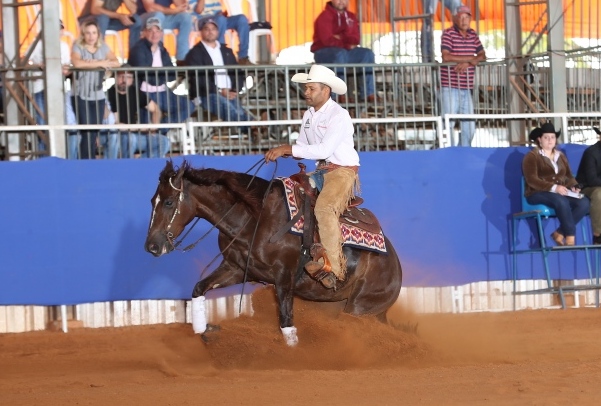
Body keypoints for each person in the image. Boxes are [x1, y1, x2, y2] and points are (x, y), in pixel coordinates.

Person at [264, 64, 359, 289]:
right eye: (306, 88)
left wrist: (288, 149)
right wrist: (287, 150)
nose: (306, 92)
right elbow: (304, 145)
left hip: (342, 171)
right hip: (322, 171)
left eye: (311, 88)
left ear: (325, 90)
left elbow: (323, 150)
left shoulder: (339, 115)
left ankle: (335, 269)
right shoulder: (309, 115)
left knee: (324, 208)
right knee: (285, 194)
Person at [523, 123, 590, 246]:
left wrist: (574, 186)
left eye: (552, 137)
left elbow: (568, 176)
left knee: (584, 202)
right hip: (536, 192)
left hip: (559, 192)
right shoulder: (531, 157)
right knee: (561, 200)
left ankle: (559, 233)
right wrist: (554, 187)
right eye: (546, 137)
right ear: (539, 139)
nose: (550, 140)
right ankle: (570, 236)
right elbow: (531, 180)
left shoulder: (561, 156)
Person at [184, 17, 253, 129]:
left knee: (236, 111)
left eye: (213, 28)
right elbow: (199, 79)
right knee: (231, 110)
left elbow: (238, 73)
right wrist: (220, 91)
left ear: (218, 31)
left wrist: (234, 90)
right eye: (206, 29)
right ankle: (253, 126)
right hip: (206, 94)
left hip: (230, 93)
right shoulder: (194, 53)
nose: (210, 31)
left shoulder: (227, 51)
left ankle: (251, 129)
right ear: (201, 32)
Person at [128, 17, 195, 129]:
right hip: (144, 94)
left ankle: (160, 129)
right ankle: (156, 132)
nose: (154, 34)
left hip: (163, 92)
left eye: (157, 30)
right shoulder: (138, 49)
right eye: (150, 31)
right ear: (144, 32)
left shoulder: (162, 49)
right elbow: (145, 75)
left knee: (188, 106)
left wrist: (160, 77)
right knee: (146, 125)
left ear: (161, 33)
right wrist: (162, 76)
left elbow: (172, 73)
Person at [71, 19, 121, 159]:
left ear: (98, 34)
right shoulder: (77, 46)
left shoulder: (103, 47)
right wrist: (100, 63)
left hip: (98, 95)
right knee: (87, 130)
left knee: (95, 129)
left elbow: (116, 62)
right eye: (88, 33)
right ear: (83, 35)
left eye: (94, 33)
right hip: (81, 95)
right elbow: (77, 63)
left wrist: (96, 63)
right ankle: (86, 162)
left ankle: (90, 160)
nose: (91, 36)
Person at [29, 20, 80, 155]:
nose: (58, 31)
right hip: (41, 88)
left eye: (60, 28)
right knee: (44, 127)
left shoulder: (63, 46)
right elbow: (26, 62)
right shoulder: (37, 44)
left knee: (68, 125)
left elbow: (66, 67)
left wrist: (66, 69)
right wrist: (38, 66)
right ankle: (45, 160)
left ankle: (63, 159)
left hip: (58, 89)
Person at [310, 0, 376, 102]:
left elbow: (356, 39)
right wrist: (346, 41)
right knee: (340, 54)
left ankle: (368, 94)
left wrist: (340, 37)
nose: (341, 1)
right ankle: (338, 94)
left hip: (345, 51)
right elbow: (327, 40)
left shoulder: (351, 16)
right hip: (323, 51)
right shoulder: (324, 17)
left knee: (367, 54)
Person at [440, 5, 486, 147]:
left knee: (470, 127)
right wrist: (469, 60)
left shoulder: (473, 34)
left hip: (467, 88)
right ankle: (448, 154)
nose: (464, 20)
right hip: (450, 87)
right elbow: (446, 57)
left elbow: (483, 55)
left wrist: (469, 63)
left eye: (466, 17)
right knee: (448, 123)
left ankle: (463, 151)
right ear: (455, 19)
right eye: (460, 17)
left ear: (471, 19)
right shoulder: (448, 34)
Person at [106, 66, 170, 158]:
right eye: (121, 76)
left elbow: (156, 109)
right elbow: (116, 124)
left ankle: (140, 164)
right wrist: (141, 128)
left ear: (132, 80)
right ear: (115, 77)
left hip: (135, 135)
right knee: (129, 139)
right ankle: (127, 167)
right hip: (116, 136)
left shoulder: (135, 92)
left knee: (164, 142)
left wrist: (153, 128)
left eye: (128, 77)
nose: (124, 80)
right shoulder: (109, 94)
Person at [189, 0, 253, 65]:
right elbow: (199, 10)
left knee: (241, 19)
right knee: (221, 19)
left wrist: (221, 14)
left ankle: (243, 57)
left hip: (217, 18)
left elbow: (218, 11)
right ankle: (222, 56)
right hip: (201, 20)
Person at [78, 0, 143, 51]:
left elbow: (134, 10)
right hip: (88, 19)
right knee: (103, 18)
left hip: (108, 20)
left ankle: (134, 59)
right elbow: (95, 9)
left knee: (136, 20)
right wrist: (118, 16)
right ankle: (98, 54)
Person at [576, 127, 601, 244]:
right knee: (599, 194)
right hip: (585, 188)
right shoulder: (591, 153)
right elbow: (592, 180)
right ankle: (598, 234)